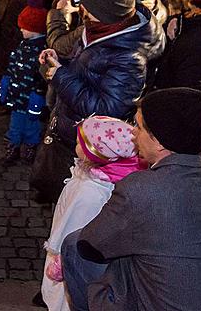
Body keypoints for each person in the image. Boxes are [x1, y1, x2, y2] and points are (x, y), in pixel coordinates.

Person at [61, 87, 201, 311]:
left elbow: (90, 245)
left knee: (73, 245)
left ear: (159, 141)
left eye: (140, 126)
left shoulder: (140, 188)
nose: (133, 133)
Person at [35, 0, 164, 202]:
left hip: (89, 147)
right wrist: (60, 64)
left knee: (72, 204)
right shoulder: (99, 30)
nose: (83, 10)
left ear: (107, 15)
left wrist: (61, 77)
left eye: (89, 8)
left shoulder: (130, 58)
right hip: (71, 134)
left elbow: (108, 108)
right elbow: (85, 70)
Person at [42, 116, 144, 311]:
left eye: (81, 143)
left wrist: (60, 263)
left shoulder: (90, 193)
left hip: (70, 269)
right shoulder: (97, 179)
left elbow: (75, 235)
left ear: (95, 154)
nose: (76, 144)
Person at [0, 0, 48, 165]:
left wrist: (38, 94)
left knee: (31, 127)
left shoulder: (42, 51)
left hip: (30, 98)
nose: (20, 29)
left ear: (33, 30)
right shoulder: (22, 45)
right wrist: (6, 82)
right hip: (17, 96)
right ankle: (13, 147)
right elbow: (12, 66)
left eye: (24, 27)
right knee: (15, 125)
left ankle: (30, 148)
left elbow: (41, 77)